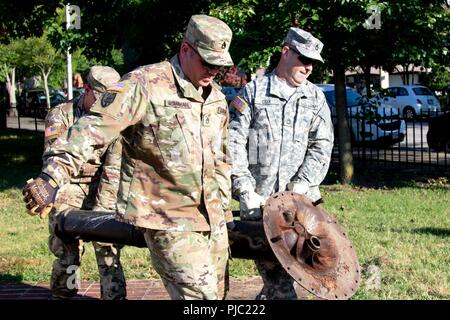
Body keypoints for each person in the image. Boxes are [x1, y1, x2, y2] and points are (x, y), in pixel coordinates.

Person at [23, 14, 234, 300]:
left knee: (218, 297)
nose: (212, 71)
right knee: (201, 299)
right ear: (186, 49)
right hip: (168, 218)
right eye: (207, 62)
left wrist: (224, 211)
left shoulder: (216, 98)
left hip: (212, 221)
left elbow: (220, 159)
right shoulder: (145, 84)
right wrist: (52, 176)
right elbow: (93, 127)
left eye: (219, 66)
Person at [228, 27, 334, 299]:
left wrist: (303, 182)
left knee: (290, 275)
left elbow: (322, 145)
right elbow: (233, 142)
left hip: (300, 209)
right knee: (280, 282)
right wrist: (244, 187)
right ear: (286, 52)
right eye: (304, 59)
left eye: (313, 63)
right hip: (260, 204)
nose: (309, 68)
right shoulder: (253, 92)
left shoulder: (314, 97)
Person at [41, 66, 127, 300]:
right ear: (86, 89)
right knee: (68, 254)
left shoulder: (116, 118)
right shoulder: (61, 114)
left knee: (108, 251)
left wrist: (103, 212)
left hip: (104, 187)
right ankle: (65, 295)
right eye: (100, 99)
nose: (104, 105)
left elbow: (114, 169)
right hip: (69, 187)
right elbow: (55, 159)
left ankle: (114, 298)